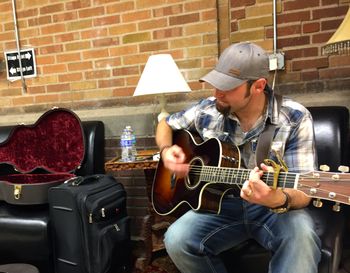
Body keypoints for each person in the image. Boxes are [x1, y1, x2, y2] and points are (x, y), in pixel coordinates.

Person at [155, 42, 321, 273]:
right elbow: (165, 124)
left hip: (273, 209)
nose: (216, 93)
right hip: (221, 205)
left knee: (302, 237)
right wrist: (166, 151)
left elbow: (304, 190)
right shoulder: (208, 110)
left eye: (228, 87)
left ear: (258, 86)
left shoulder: (294, 117)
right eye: (215, 84)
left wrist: (278, 199)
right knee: (176, 239)